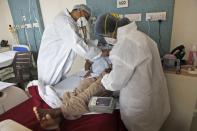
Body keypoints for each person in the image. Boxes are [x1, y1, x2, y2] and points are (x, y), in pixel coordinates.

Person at [94, 13, 170, 131]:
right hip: (154, 97)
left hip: (139, 105)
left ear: (110, 32)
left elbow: (115, 83)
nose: (105, 38)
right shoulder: (143, 37)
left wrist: (105, 76)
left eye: (104, 35)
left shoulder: (123, 46)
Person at [33, 44, 112, 130]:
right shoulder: (99, 50)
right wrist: (88, 69)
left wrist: (108, 69)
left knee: (87, 94)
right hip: (92, 76)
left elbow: (117, 68)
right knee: (76, 92)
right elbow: (88, 62)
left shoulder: (116, 54)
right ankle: (58, 119)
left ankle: (57, 111)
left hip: (105, 78)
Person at [37, 4, 95, 86]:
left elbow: (81, 41)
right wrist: (97, 54)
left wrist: (93, 48)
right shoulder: (64, 22)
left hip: (57, 60)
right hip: (50, 61)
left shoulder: (71, 23)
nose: (85, 20)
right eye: (85, 17)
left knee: (57, 85)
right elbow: (76, 43)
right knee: (48, 87)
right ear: (79, 10)